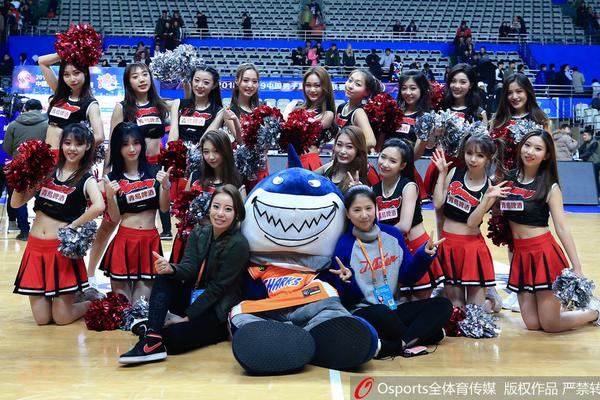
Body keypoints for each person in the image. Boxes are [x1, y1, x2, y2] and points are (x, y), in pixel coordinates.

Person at [478, 129, 600, 332]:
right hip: (520, 256)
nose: (530, 152)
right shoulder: (507, 180)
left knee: (550, 325)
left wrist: (577, 268)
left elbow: (562, 228)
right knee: (533, 324)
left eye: (537, 148)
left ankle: (594, 312)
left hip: (544, 255)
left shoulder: (550, 186)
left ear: (547, 155)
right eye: (527, 145)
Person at [118, 184, 249, 364]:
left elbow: (217, 290)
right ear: (210, 207)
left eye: (228, 209)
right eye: (216, 206)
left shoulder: (239, 244)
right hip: (193, 297)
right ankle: (152, 339)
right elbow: (189, 268)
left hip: (216, 310)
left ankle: (150, 330)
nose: (220, 213)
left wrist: (187, 317)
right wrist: (171, 268)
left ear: (237, 213)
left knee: (174, 340)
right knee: (164, 276)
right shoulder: (199, 232)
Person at [325, 185, 451, 359]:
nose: (364, 215)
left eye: (368, 208)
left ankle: (397, 345)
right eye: (357, 210)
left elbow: (408, 276)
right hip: (364, 311)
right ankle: (425, 335)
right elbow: (348, 300)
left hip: (393, 307)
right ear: (347, 213)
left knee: (443, 305)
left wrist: (423, 256)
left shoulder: (392, 235)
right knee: (382, 314)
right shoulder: (344, 245)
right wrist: (347, 282)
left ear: (376, 208)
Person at [88, 62, 171, 291]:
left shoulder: (160, 106)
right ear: (128, 82)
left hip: (152, 170)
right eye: (135, 76)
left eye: (145, 74)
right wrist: (106, 177)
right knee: (109, 224)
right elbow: (113, 144)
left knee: (146, 223)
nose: (142, 79)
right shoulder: (122, 108)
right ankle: (90, 274)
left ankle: (141, 272)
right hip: (125, 171)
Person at [12, 123, 105, 325]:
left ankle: (91, 301)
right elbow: (16, 203)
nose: (72, 148)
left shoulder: (86, 178)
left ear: (88, 146)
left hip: (62, 252)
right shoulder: (47, 172)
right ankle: (74, 297)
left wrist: (73, 226)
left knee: (62, 318)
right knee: (42, 319)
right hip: (35, 249)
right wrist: (21, 177)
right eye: (68, 143)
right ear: (61, 144)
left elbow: (99, 206)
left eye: (78, 144)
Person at [100, 122, 171, 303]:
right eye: (125, 144)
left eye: (136, 143)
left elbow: (164, 208)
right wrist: (110, 197)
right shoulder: (111, 178)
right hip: (124, 242)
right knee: (121, 307)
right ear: (118, 147)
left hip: (149, 241)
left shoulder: (156, 172)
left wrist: (166, 187)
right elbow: (115, 218)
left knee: (141, 307)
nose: (132, 149)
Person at [432, 135, 500, 308]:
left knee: (473, 311)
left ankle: (490, 302)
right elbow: (438, 203)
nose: (473, 159)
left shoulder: (490, 188)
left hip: (472, 248)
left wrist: (486, 200)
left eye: (480, 155)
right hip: (449, 246)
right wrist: (442, 174)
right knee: (457, 309)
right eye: (469, 153)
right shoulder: (455, 172)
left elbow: (471, 222)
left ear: (488, 159)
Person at [373, 139, 443, 299]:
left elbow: (405, 226)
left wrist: (378, 233)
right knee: (398, 300)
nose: (385, 164)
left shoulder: (409, 186)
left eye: (392, 161)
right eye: (383, 157)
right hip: (393, 249)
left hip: (417, 248)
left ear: (403, 165)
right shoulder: (374, 189)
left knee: (420, 301)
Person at [169, 131, 244, 264]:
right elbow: (182, 210)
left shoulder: (237, 182)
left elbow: (240, 221)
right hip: (190, 242)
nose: (211, 157)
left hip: (219, 246)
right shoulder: (195, 176)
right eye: (206, 152)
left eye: (216, 151)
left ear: (226, 151)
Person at [37, 52, 104, 152]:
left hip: (66, 156)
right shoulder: (60, 93)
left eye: (76, 73)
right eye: (66, 75)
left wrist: (75, 149)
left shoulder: (90, 104)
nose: (72, 79)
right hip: (47, 153)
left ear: (85, 73)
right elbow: (42, 61)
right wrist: (66, 52)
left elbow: (99, 137)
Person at [3, 99, 48, 241]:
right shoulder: (47, 125)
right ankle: (41, 229)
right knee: (43, 198)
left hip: (20, 167)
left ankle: (24, 231)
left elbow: (6, 148)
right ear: (41, 109)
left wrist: (18, 154)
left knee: (19, 198)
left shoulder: (14, 125)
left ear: (25, 109)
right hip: (42, 168)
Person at [283, 66, 336, 170]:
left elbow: (303, 129)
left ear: (325, 87)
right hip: (292, 161)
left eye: (317, 85)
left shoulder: (327, 114)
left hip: (310, 162)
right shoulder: (297, 107)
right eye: (308, 85)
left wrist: (288, 111)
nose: (312, 90)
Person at [168, 65, 224, 145]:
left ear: (214, 85)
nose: (200, 85)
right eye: (196, 80)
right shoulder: (177, 103)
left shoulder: (220, 112)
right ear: (191, 81)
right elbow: (173, 135)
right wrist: (173, 150)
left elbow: (206, 140)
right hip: (178, 150)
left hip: (202, 151)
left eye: (206, 82)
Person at [316, 126, 379, 194]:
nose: (342, 151)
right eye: (339, 145)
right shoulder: (329, 167)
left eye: (349, 147)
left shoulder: (366, 172)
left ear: (358, 149)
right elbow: (308, 177)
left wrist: (359, 193)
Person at [335, 68, 380, 150]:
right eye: (350, 80)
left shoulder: (359, 112)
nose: (350, 86)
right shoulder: (341, 107)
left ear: (366, 92)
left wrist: (350, 149)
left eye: (358, 84)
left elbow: (371, 142)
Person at [579, 127, 600, 196]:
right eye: (583, 135)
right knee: (589, 180)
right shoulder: (585, 143)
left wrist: (579, 157)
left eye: (585, 135)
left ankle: (597, 194)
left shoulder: (595, 143)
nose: (583, 136)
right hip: (589, 164)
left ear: (590, 135)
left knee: (595, 179)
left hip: (595, 164)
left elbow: (588, 153)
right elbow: (580, 149)